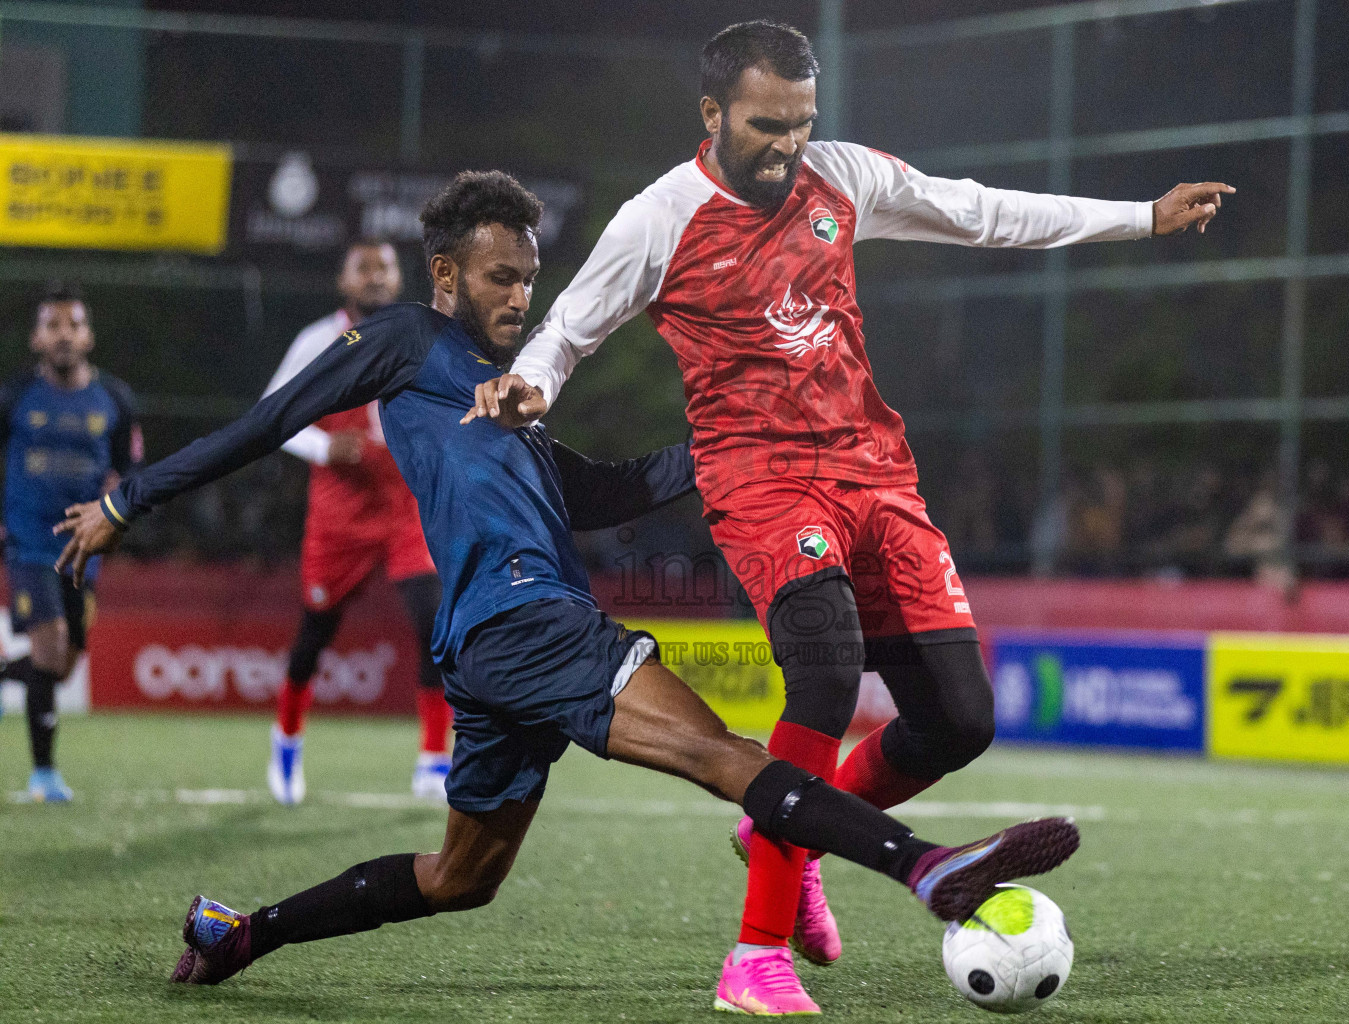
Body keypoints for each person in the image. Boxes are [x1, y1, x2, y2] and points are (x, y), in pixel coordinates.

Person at [54, 170, 1082, 1001]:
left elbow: (598, 490)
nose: (520, 298)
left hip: (489, 649)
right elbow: (267, 423)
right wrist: (128, 501)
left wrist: (731, 444)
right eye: (500, 277)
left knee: (461, 879)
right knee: (725, 753)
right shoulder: (410, 341)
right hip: (527, 617)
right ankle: (925, 868)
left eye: (530, 279)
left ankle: (246, 934)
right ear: (446, 274)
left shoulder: (521, 400)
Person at [469, 20, 1232, 1013]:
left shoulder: (844, 177)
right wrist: (528, 386)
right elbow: (566, 332)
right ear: (710, 114)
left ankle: (790, 823)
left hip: (877, 474)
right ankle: (753, 957)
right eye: (765, 125)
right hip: (759, 477)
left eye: (802, 123)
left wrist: (1143, 216)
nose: (788, 144)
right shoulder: (659, 218)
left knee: (960, 720)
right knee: (825, 671)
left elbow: (982, 211)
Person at [262, 238, 453, 805]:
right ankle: (287, 738)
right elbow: (271, 413)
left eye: (386, 267)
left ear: (399, 279)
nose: (376, 276)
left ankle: (433, 759)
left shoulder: (418, 332)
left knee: (434, 621)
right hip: (340, 509)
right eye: (363, 268)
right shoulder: (318, 340)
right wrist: (323, 449)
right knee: (317, 629)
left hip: (403, 503)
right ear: (344, 282)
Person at [0, 282, 140, 802]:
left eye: (73, 325)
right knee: (52, 645)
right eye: (53, 326)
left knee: (63, 661)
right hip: (29, 542)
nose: (63, 335)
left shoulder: (116, 400)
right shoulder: (14, 396)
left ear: (89, 336)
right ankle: (42, 777)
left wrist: (117, 499)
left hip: (85, 546)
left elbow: (128, 467)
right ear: (36, 338)